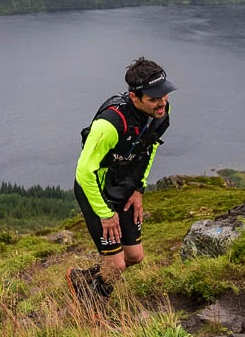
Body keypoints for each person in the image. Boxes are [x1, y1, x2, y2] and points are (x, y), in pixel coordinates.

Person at [67, 57, 176, 314]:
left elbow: (148, 150)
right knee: (116, 264)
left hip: (125, 186)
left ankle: (82, 279)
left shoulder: (159, 113)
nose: (162, 103)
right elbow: (84, 172)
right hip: (96, 189)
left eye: (164, 95)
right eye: (154, 98)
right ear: (134, 97)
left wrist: (139, 189)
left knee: (134, 257)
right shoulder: (110, 124)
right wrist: (105, 213)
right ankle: (91, 309)